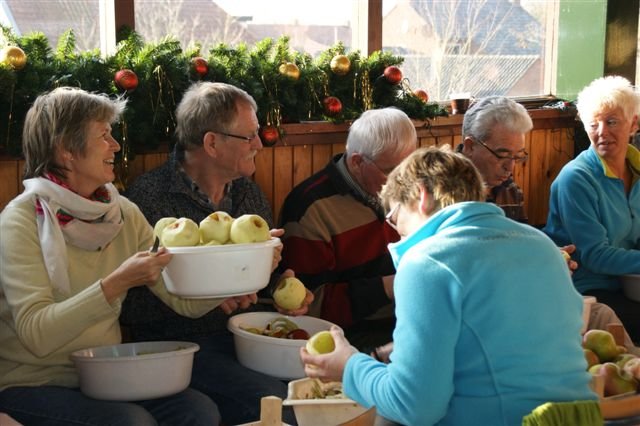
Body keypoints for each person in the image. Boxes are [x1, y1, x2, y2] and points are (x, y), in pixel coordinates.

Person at [301, 147, 597, 426]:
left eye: (394, 218)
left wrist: (348, 366)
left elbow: (414, 406)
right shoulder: (542, 245)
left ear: (420, 196)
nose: (396, 234)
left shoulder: (426, 261)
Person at [0, 87, 223, 425]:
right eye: (103, 135)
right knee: (130, 422)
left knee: (198, 410)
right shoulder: (21, 220)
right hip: (32, 382)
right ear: (66, 151)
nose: (116, 145)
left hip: (106, 376)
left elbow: (181, 299)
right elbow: (36, 334)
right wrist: (115, 284)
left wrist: (236, 276)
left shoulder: (121, 213)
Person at [123, 81, 308, 425]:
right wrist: (210, 295)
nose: (259, 144)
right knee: (282, 406)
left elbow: (255, 284)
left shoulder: (248, 196)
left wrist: (280, 289)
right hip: (179, 348)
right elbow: (130, 305)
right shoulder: (149, 199)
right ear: (211, 143)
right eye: (249, 136)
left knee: (321, 387)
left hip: (249, 339)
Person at [458, 95, 639, 352]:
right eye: (502, 155)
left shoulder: (508, 188)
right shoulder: (445, 190)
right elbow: (467, 266)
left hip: (523, 297)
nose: (510, 167)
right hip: (482, 310)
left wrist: (549, 256)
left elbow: (520, 245)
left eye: (518, 156)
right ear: (470, 146)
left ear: (634, 125)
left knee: (601, 316)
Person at [278, 108, 417, 351]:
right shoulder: (310, 207)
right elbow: (308, 306)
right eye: (391, 171)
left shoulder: (414, 190)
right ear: (357, 162)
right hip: (347, 340)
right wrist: (390, 286)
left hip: (412, 325)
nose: (405, 180)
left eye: (410, 166)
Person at [543, 75, 640, 343]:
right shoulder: (576, 178)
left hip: (630, 284)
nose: (601, 132)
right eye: (593, 124)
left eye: (611, 122)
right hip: (587, 291)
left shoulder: (637, 170)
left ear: (634, 123)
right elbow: (595, 256)